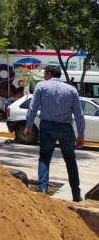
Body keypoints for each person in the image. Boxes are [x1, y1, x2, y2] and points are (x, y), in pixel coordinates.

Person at [25, 65, 85, 202]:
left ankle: (43, 189)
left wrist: (28, 126)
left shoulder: (41, 86)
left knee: (45, 158)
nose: (44, 76)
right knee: (70, 161)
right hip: (66, 128)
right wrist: (81, 135)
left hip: (47, 127)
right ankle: (76, 194)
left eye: (45, 74)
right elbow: (79, 115)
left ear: (49, 73)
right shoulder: (72, 90)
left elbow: (32, 108)